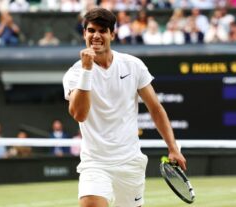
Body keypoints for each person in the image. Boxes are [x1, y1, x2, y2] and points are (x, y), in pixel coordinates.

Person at [62, 8, 186, 207]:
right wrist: (87, 70)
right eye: (91, 30)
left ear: (112, 34)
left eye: (102, 31)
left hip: (130, 162)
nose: (96, 35)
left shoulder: (133, 65)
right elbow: (79, 114)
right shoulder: (75, 74)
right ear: (84, 33)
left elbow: (156, 108)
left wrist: (173, 148)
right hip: (95, 163)